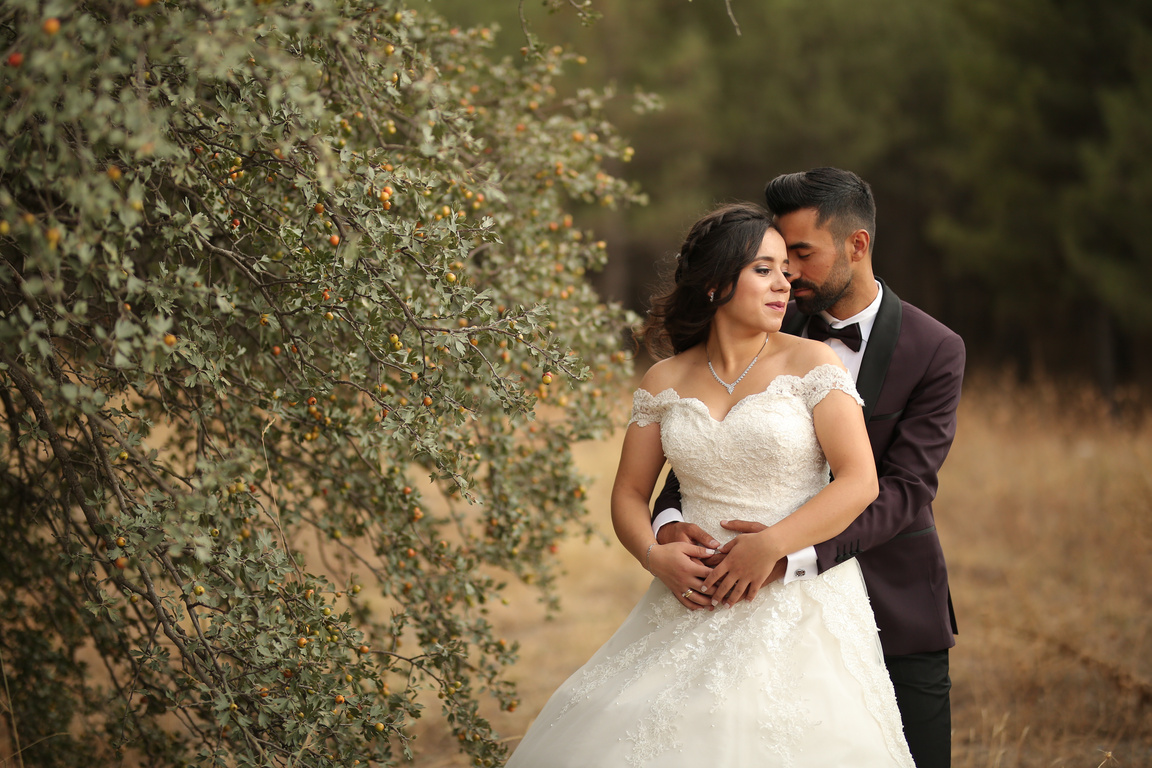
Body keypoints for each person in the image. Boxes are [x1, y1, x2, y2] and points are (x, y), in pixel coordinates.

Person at [505, 203, 914, 767]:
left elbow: (860, 481)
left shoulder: (813, 363)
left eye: (786, 270)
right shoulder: (664, 379)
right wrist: (655, 556)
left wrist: (772, 546)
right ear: (718, 283)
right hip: (689, 596)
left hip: (795, 599)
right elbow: (628, 495)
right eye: (764, 269)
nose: (784, 283)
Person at [652, 168, 965, 768]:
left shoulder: (935, 348)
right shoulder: (766, 319)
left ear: (857, 245)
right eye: (778, 255)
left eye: (801, 253)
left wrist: (786, 556)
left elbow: (904, 489)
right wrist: (668, 524)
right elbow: (702, 447)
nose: (787, 273)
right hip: (754, 612)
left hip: (895, 595)